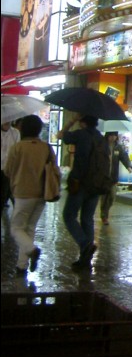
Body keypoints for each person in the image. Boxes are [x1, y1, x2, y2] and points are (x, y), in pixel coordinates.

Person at [5, 115, 54, 276]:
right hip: (42, 194)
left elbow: (7, 170)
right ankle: (22, 265)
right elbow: (54, 168)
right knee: (30, 228)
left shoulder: (18, 147)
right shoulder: (46, 147)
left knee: (16, 228)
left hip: (22, 193)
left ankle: (31, 250)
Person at [57, 114, 106, 271]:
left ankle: (85, 244)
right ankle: (85, 261)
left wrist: (71, 121)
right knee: (87, 219)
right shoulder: (101, 138)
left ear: (82, 122)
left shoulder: (80, 134)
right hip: (96, 184)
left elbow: (61, 136)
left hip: (80, 183)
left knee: (69, 216)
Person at [99, 131, 132, 225]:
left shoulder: (118, 147)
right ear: (107, 136)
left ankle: (105, 211)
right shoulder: (102, 145)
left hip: (113, 178)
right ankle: (104, 215)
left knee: (112, 197)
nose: (113, 138)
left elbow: (124, 157)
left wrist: (129, 166)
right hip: (103, 177)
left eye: (114, 135)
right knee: (104, 197)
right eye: (111, 135)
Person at [1, 119, 21, 208]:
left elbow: (18, 151)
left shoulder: (15, 133)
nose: (6, 121)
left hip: (9, 169)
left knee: (7, 193)